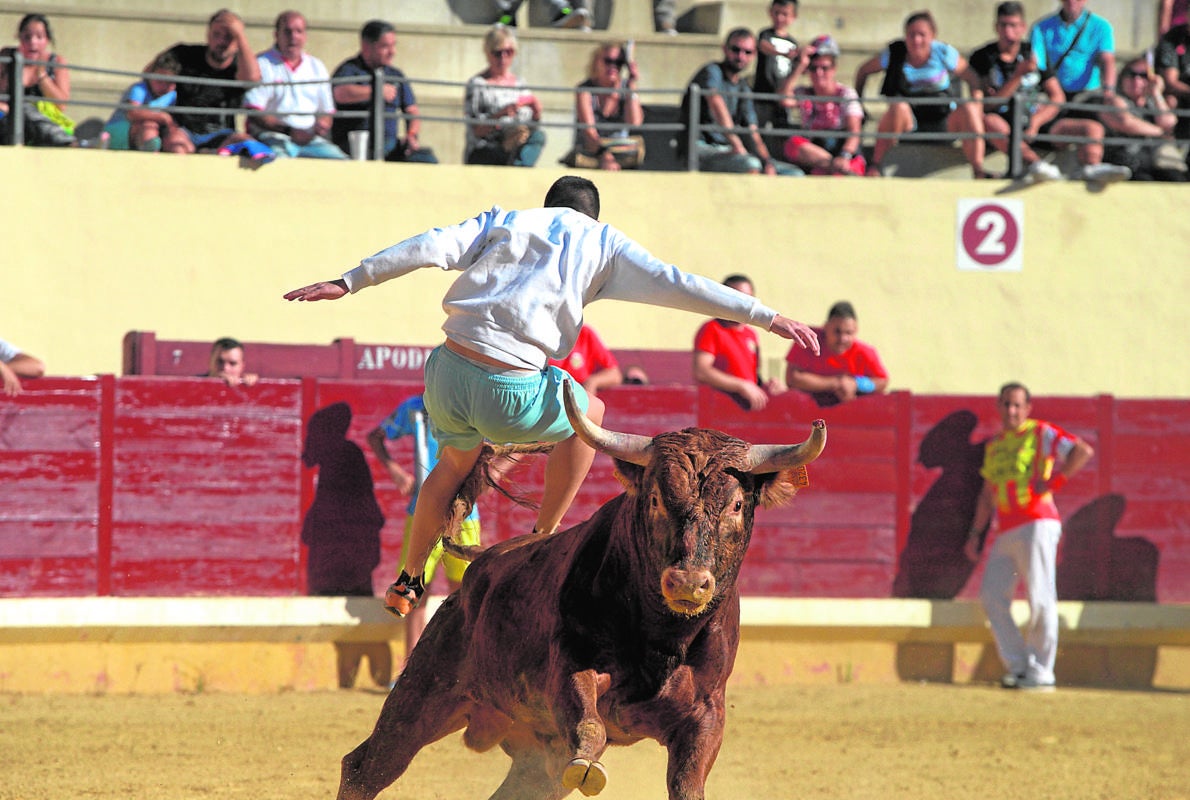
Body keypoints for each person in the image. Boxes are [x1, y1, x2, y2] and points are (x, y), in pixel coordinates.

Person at [283, 175, 820, 617]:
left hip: (445, 372)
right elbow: (681, 283)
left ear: (550, 206)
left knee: (448, 470)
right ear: (593, 214)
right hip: (510, 387)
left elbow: (428, 245)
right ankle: (544, 535)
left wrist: (350, 281)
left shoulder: (506, 220)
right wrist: (766, 317)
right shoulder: (603, 241)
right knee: (596, 412)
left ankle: (408, 577)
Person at [964, 382, 1094, 691]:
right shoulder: (995, 445)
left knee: (1040, 596)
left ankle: (1040, 672)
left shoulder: (1041, 433)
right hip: (1006, 527)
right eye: (1006, 404)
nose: (1011, 410)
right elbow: (986, 495)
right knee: (992, 596)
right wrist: (975, 534)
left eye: (1017, 405)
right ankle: (1020, 667)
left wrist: (1055, 482)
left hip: (1038, 522)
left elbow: (1081, 451)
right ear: (999, 407)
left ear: (1027, 408)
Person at [367, 395, 484, 658]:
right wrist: (396, 471)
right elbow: (376, 436)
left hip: (464, 511)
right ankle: (410, 666)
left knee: (465, 594)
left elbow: (510, 447)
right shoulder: (416, 408)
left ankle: (460, 665)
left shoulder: (472, 406)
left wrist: (493, 473)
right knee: (412, 591)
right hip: (425, 509)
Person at [952, 1, 1120, 181]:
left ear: (1023, 27)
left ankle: (1093, 168)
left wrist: (1036, 122)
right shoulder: (983, 57)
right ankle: (1036, 164)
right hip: (1005, 123)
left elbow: (1057, 96)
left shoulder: (1033, 52)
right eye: (1004, 25)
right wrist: (1017, 76)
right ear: (996, 27)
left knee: (1092, 128)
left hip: (1034, 120)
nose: (1009, 32)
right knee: (991, 122)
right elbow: (989, 104)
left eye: (1014, 26)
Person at [1029, 0, 1149, 181]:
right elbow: (1035, 65)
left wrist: (1108, 92)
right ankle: (1092, 165)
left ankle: (1154, 134)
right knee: (1092, 128)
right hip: (1054, 97)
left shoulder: (1100, 27)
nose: (1072, 2)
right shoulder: (1042, 27)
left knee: (1113, 110)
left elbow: (1107, 61)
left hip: (1087, 96)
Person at [854, 10, 973, 177]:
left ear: (933, 35)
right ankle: (876, 165)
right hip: (910, 123)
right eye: (911, 35)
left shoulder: (944, 53)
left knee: (969, 110)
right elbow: (863, 70)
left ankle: (978, 169)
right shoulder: (895, 54)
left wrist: (979, 104)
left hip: (944, 122)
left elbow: (974, 80)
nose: (917, 40)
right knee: (898, 107)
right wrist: (858, 103)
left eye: (922, 35)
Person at [678, 27, 803, 174]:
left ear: (754, 54)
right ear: (725, 49)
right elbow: (716, 102)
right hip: (700, 147)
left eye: (747, 52)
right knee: (750, 165)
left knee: (793, 174)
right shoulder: (712, 71)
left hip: (730, 150)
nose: (740, 56)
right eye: (735, 50)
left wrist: (767, 161)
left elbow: (753, 132)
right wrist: (736, 144)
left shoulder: (743, 87)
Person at [156, 9, 263, 155]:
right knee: (177, 147)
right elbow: (151, 75)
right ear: (208, 34)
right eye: (216, 34)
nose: (221, 41)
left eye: (229, 36)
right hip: (183, 131)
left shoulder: (240, 65)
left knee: (247, 143)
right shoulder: (185, 54)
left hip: (222, 134)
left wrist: (240, 34)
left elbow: (253, 79)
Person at [243, 10, 346, 160]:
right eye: (287, 31)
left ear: (305, 36)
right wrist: (289, 131)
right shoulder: (261, 64)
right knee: (279, 166)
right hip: (272, 137)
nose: (293, 37)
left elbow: (326, 112)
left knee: (343, 163)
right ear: (276, 34)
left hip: (311, 141)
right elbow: (255, 113)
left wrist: (322, 124)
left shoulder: (316, 66)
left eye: (299, 31)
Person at [331, 20, 437, 163]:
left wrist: (411, 135)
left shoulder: (396, 75)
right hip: (356, 145)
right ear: (366, 47)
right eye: (385, 46)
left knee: (426, 159)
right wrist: (376, 91)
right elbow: (340, 93)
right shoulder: (349, 69)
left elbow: (412, 111)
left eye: (393, 46)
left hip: (390, 144)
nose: (393, 52)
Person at [692, 274, 788, 411]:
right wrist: (741, 385)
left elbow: (752, 378)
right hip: (719, 408)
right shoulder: (712, 329)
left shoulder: (751, 334)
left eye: (748, 299)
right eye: (737, 298)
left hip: (746, 411)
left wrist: (769, 386)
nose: (743, 304)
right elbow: (701, 371)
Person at [781, 34, 868, 176]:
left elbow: (854, 131)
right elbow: (784, 99)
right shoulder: (804, 92)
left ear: (834, 69)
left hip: (845, 153)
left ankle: (837, 168)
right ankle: (833, 165)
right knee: (792, 144)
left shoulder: (846, 94)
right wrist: (800, 65)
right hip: (817, 157)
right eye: (813, 68)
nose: (819, 73)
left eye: (825, 68)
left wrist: (844, 156)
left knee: (838, 175)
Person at [463, 25, 545, 167]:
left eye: (509, 52)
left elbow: (534, 124)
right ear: (488, 53)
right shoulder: (477, 84)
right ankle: (516, 167)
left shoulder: (520, 83)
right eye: (498, 53)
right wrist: (501, 115)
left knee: (538, 137)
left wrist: (536, 112)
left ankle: (517, 166)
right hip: (488, 149)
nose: (503, 57)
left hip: (517, 143)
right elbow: (476, 130)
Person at [784, 301, 889, 407]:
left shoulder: (865, 352)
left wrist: (857, 384)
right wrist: (836, 383)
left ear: (856, 330)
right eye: (837, 331)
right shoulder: (808, 340)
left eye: (848, 332)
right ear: (825, 327)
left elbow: (882, 381)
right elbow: (792, 378)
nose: (843, 338)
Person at [568, 41, 644, 171]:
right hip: (591, 151)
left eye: (619, 63)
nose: (613, 67)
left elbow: (635, 122)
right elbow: (589, 132)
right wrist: (605, 155)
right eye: (608, 61)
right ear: (597, 62)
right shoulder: (585, 90)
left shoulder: (626, 88)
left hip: (621, 151)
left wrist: (632, 85)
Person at [104, 50, 179, 151]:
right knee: (149, 124)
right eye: (159, 81)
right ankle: (150, 155)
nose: (163, 86)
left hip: (149, 135)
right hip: (120, 132)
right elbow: (133, 113)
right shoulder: (139, 89)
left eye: (169, 83)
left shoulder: (172, 95)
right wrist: (163, 117)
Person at [753, 0, 800, 159]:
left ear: (793, 17)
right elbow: (763, 46)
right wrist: (781, 53)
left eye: (785, 14)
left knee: (782, 131)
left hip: (781, 96)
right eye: (777, 13)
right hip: (763, 93)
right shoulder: (766, 34)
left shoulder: (793, 42)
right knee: (758, 129)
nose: (780, 17)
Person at [548, 325, 623, 396]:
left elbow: (615, 375)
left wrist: (592, 382)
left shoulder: (585, 333)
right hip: (548, 397)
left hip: (578, 397)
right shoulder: (542, 335)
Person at [1157, 12, 1190, 137]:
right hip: (1179, 95)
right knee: (1170, 101)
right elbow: (1171, 81)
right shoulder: (1173, 38)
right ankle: (1168, 143)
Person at [493, 0, 592, 30]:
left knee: (567, 9)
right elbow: (510, 8)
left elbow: (582, 9)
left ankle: (565, 18)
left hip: (566, 12)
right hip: (545, 20)